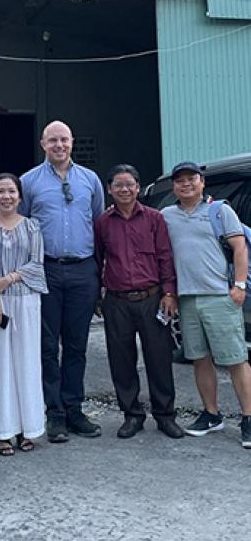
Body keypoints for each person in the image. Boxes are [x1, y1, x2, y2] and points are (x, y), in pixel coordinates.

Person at [20, 120, 105, 443]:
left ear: (72, 142)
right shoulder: (29, 182)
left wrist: (99, 274)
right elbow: (23, 225)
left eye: (64, 140)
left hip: (83, 270)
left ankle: (74, 409)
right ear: (43, 144)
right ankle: (53, 413)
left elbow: (98, 224)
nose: (59, 145)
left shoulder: (90, 180)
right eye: (52, 140)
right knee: (46, 346)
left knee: (76, 345)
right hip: (47, 271)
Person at [160, 162, 251, 449]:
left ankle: (248, 418)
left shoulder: (219, 211)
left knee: (235, 359)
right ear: (174, 186)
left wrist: (239, 286)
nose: (186, 184)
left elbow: (239, 247)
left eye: (191, 179)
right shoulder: (166, 216)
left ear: (202, 183)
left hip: (219, 297)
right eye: (180, 181)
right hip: (186, 298)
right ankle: (212, 414)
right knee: (199, 358)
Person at [93, 164, 183, 439]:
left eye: (129, 184)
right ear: (109, 189)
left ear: (138, 188)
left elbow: (165, 257)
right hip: (117, 300)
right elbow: (97, 260)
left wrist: (169, 293)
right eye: (118, 185)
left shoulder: (155, 219)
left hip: (152, 298)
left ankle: (165, 415)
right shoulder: (103, 223)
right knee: (121, 360)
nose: (124, 189)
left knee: (159, 358)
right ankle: (132, 414)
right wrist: (97, 296)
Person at [0, 173, 47, 456]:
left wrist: (9, 279)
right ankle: (1, 432)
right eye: (1, 191)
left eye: (12, 191)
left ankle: (27, 428)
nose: (7, 197)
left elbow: (36, 263)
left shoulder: (31, 227)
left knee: (27, 365)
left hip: (26, 300)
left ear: (20, 196)